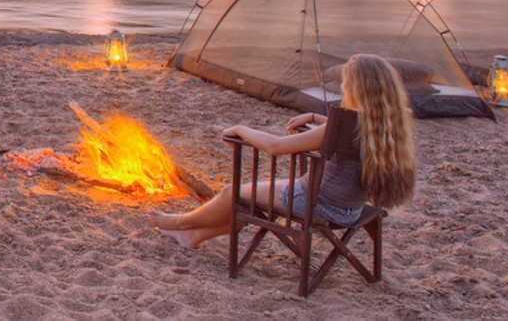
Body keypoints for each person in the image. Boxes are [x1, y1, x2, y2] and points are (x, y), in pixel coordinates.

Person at [153, 53, 416, 249]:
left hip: (313, 202)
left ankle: (180, 222)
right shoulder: (389, 126)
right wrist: (315, 117)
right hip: (351, 210)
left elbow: (276, 147)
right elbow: (353, 135)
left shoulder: (342, 126)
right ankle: (193, 236)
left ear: (356, 88)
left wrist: (242, 129)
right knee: (250, 200)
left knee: (231, 193)